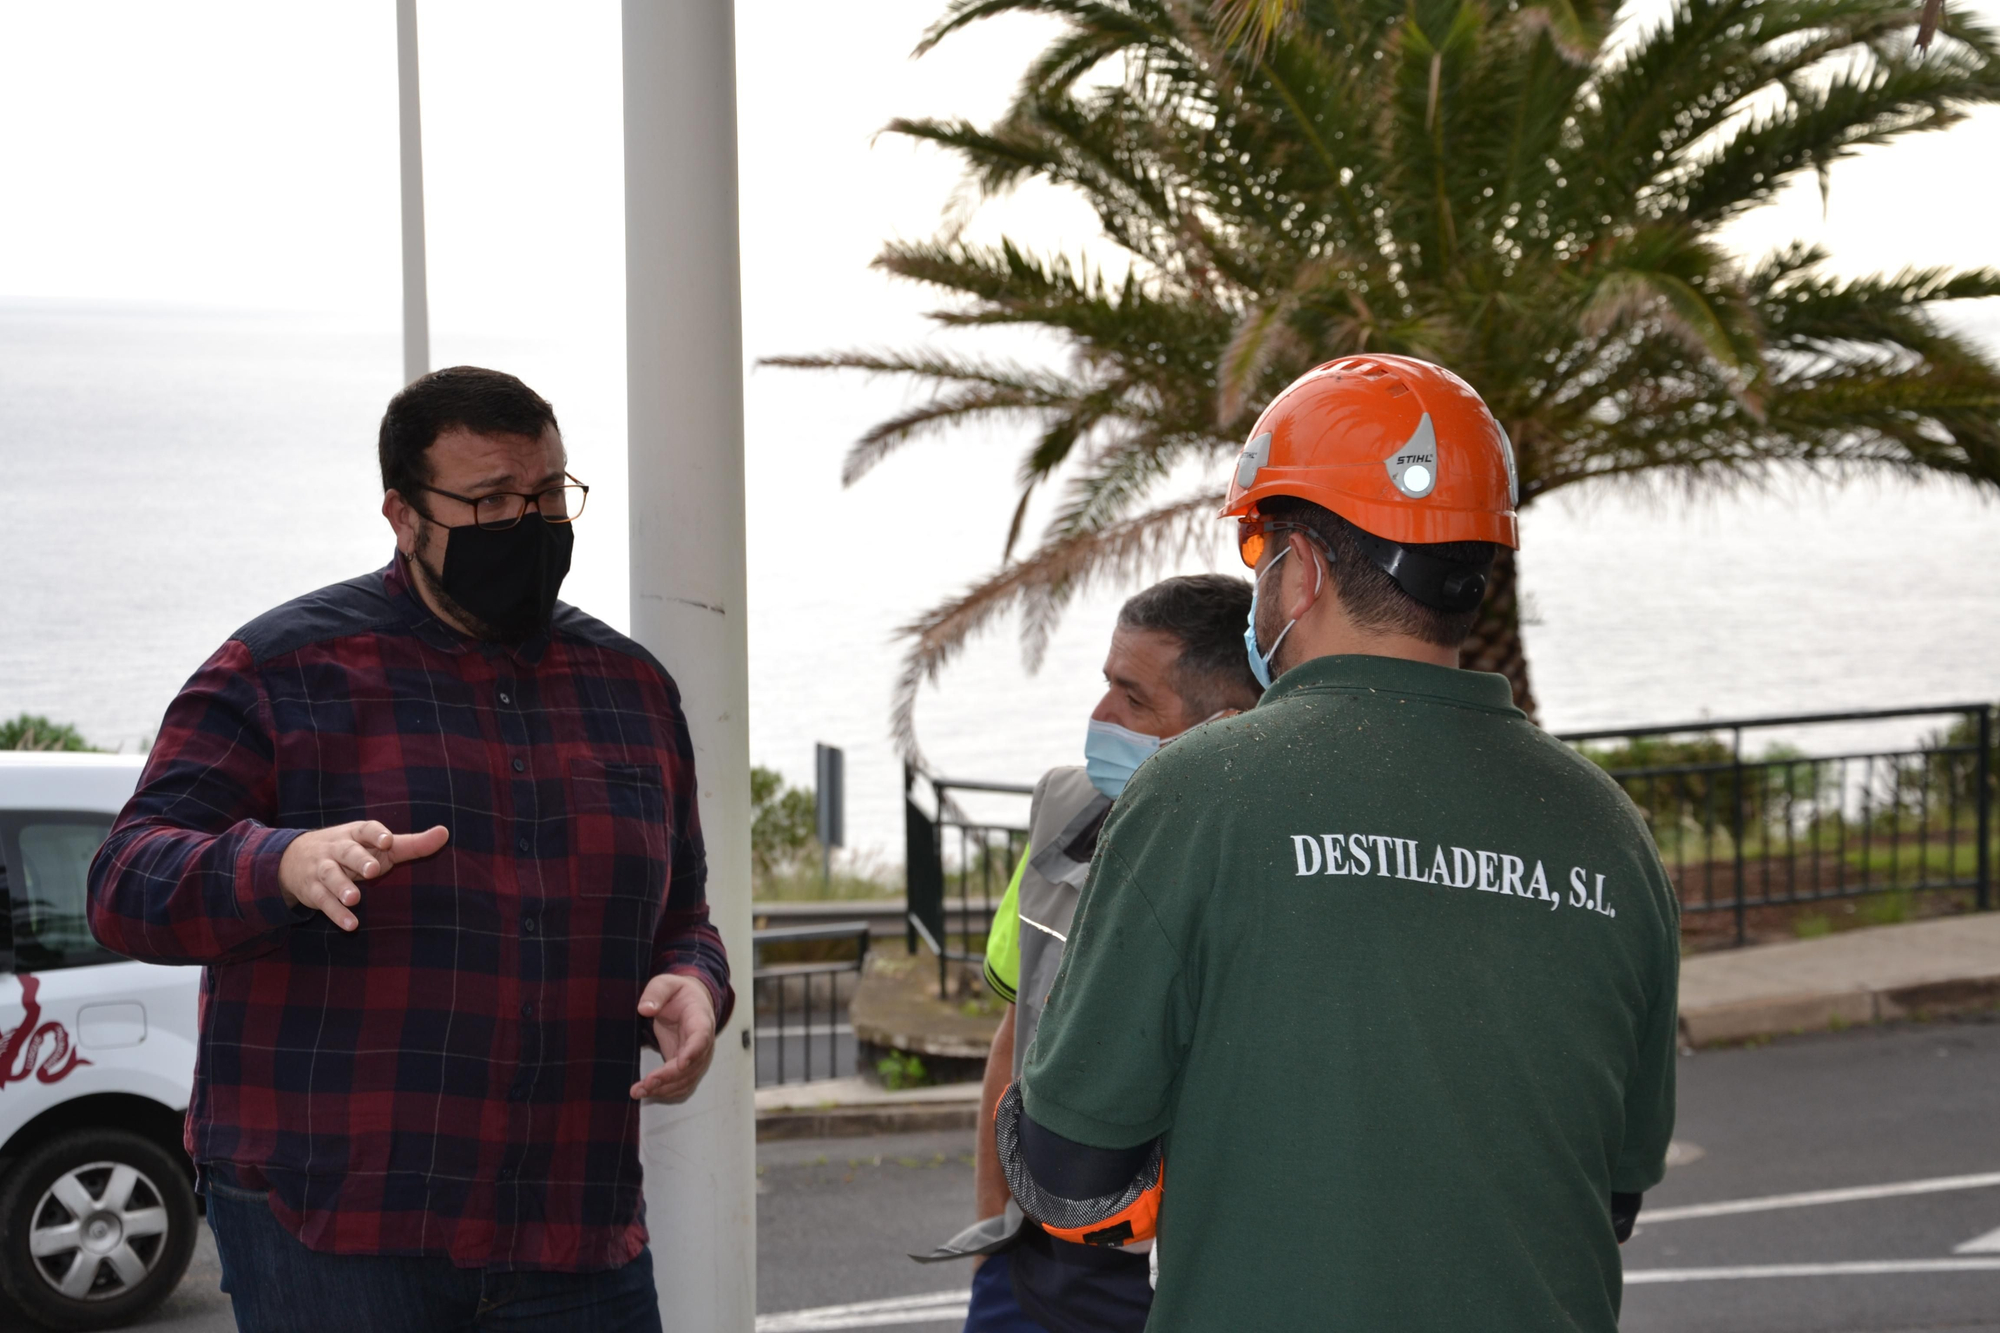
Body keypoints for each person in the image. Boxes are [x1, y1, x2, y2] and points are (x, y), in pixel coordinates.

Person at [995, 355, 1680, 1330]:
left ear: (1301, 568)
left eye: (1258, 549)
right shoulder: (1610, 832)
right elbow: (1612, 1193)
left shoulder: (1196, 792)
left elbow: (1069, 1168)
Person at [86, 366, 731, 1333]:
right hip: (334, 1233)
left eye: (550, 494)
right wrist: (281, 864)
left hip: (573, 1226)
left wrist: (692, 983)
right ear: (403, 514)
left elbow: (682, 915)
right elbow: (124, 879)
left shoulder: (633, 688)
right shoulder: (280, 671)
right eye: (491, 501)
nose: (532, 521)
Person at [921, 576, 1262, 1333]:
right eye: (1107, 684)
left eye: (1134, 701)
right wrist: (993, 1251)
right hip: (1035, 1287)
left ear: (1226, 727)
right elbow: (1010, 1046)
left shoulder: (1274, 870)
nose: (1099, 716)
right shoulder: (1062, 813)